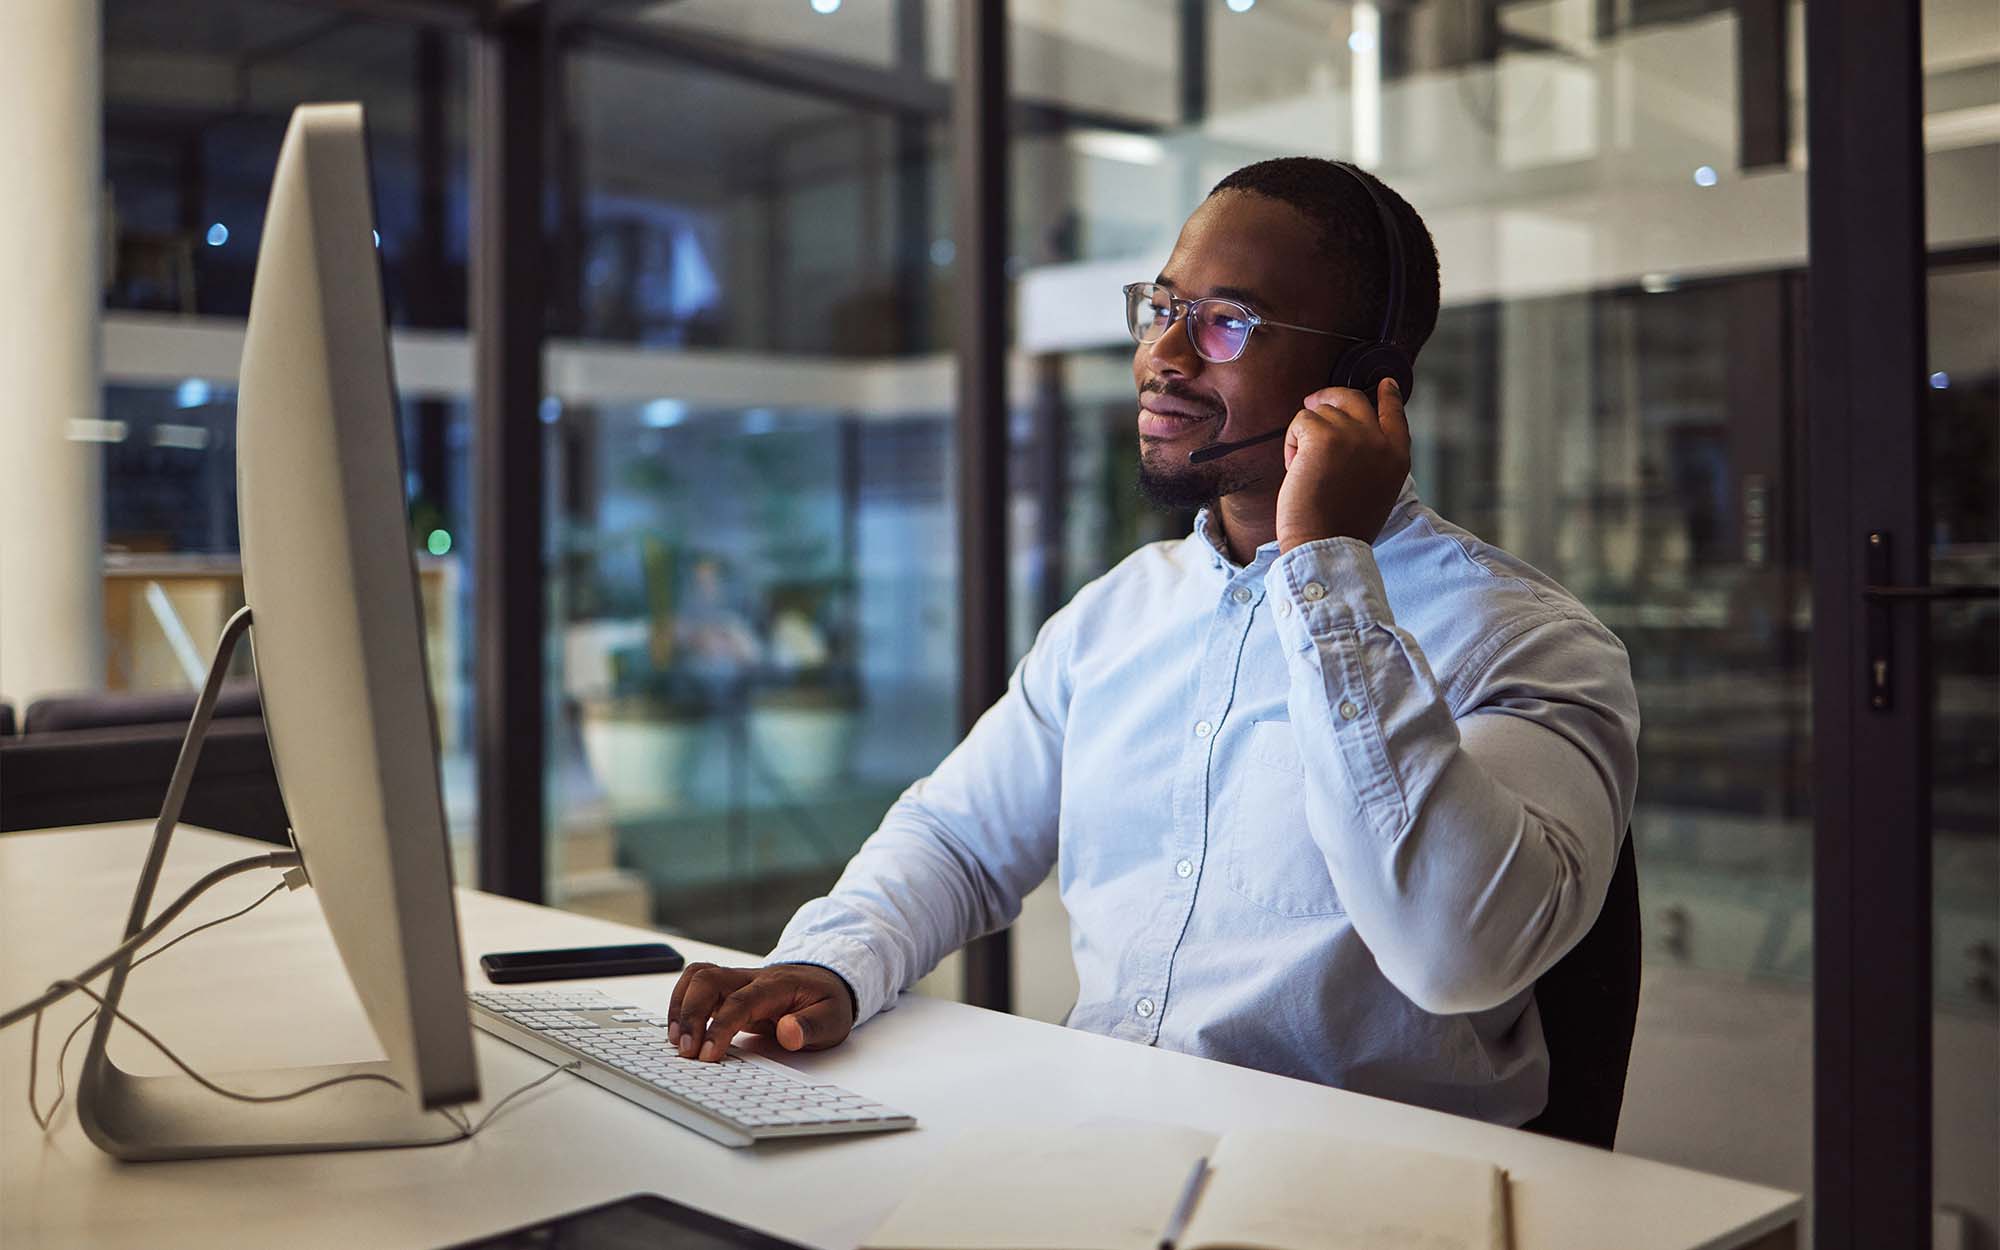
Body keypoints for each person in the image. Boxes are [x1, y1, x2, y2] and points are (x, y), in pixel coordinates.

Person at [668, 157, 1639, 1126]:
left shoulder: (1526, 642)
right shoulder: (1114, 615)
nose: (1160, 355)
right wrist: (829, 960)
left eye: (1224, 322)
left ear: (1358, 378)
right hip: (1096, 1152)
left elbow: (1453, 950)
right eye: (1160, 307)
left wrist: (1324, 565)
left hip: (1354, 1195)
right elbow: (959, 838)